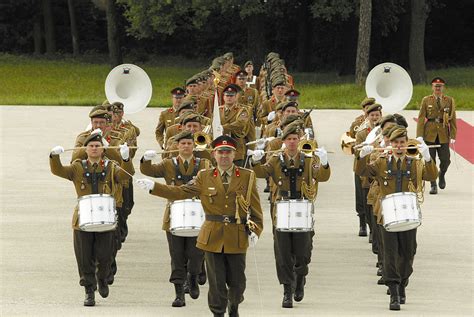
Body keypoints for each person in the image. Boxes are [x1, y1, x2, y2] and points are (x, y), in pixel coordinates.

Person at [136, 135, 263, 317]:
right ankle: (218, 312)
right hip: (212, 235)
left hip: (237, 235)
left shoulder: (246, 176)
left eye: (228, 152)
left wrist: (256, 230)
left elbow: (256, 209)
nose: (224, 156)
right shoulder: (205, 176)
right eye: (220, 152)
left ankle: (234, 305)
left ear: (234, 154)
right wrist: (154, 187)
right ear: (214, 154)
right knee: (216, 281)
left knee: (238, 282)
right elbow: (181, 192)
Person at [356, 126, 438, 310]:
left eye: (402, 143)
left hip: (408, 216)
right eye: (396, 143)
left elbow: (431, 175)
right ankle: (394, 291)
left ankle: (403, 282)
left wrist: (427, 158)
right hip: (387, 216)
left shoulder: (415, 163)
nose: (399, 146)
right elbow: (363, 173)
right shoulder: (382, 163)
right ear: (391, 145)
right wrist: (361, 157)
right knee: (390, 254)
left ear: (406, 143)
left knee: (409, 253)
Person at [250, 124, 330, 308]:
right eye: (289, 139)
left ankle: (300, 278)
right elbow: (261, 173)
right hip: (282, 209)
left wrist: (324, 163)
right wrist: (256, 161)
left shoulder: (309, 160)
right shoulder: (276, 160)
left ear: (300, 140)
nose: (292, 142)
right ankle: (287, 290)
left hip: (302, 208)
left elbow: (322, 176)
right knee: (283, 252)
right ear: (284, 141)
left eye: (295, 139)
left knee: (303, 252)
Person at [49, 133, 134, 306]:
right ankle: (89, 290)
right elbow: (58, 170)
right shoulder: (77, 167)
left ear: (103, 149)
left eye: (97, 146)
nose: (94, 148)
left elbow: (126, 176)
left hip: (106, 219)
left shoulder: (111, 167)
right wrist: (54, 157)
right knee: (84, 257)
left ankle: (102, 278)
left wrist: (126, 159)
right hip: (83, 220)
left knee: (105, 256)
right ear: (85, 149)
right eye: (91, 146)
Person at [140, 131, 212, 307]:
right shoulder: (168, 164)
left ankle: (193, 277)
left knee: (196, 254)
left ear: (194, 146)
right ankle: (179, 293)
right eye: (183, 143)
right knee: (177, 256)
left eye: (189, 143)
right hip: (174, 216)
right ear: (177, 146)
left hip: (198, 216)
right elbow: (149, 170)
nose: (186, 146)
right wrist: (145, 159)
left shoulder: (204, 164)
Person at [416, 77, 457, 194]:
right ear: (432, 87)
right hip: (430, 133)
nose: (438, 88)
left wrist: (453, 135)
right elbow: (420, 118)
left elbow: (452, 118)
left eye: (440, 86)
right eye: (435, 86)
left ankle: (442, 173)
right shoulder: (426, 100)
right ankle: (433, 184)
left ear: (443, 87)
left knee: (446, 160)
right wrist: (419, 135)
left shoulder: (449, 100)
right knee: (431, 160)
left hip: (443, 133)